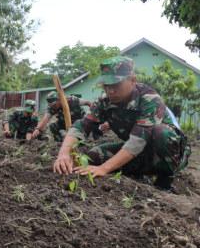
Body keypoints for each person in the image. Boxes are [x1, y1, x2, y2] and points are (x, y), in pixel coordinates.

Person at [53, 56, 191, 192]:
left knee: (162, 133)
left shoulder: (150, 100)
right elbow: (82, 126)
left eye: (116, 85)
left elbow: (138, 141)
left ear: (132, 80)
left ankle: (164, 182)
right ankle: (138, 176)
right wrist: (64, 153)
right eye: (106, 86)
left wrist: (104, 168)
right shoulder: (104, 102)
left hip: (170, 155)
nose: (110, 91)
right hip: (140, 153)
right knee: (95, 153)